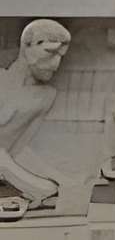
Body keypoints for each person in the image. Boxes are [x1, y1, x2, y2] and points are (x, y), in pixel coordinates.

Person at [0, 19, 70, 208]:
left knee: (51, 189)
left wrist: (60, 180)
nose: (56, 64)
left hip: (4, 167)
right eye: (50, 52)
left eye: (60, 56)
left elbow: (21, 147)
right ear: (28, 46)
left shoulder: (46, 96)